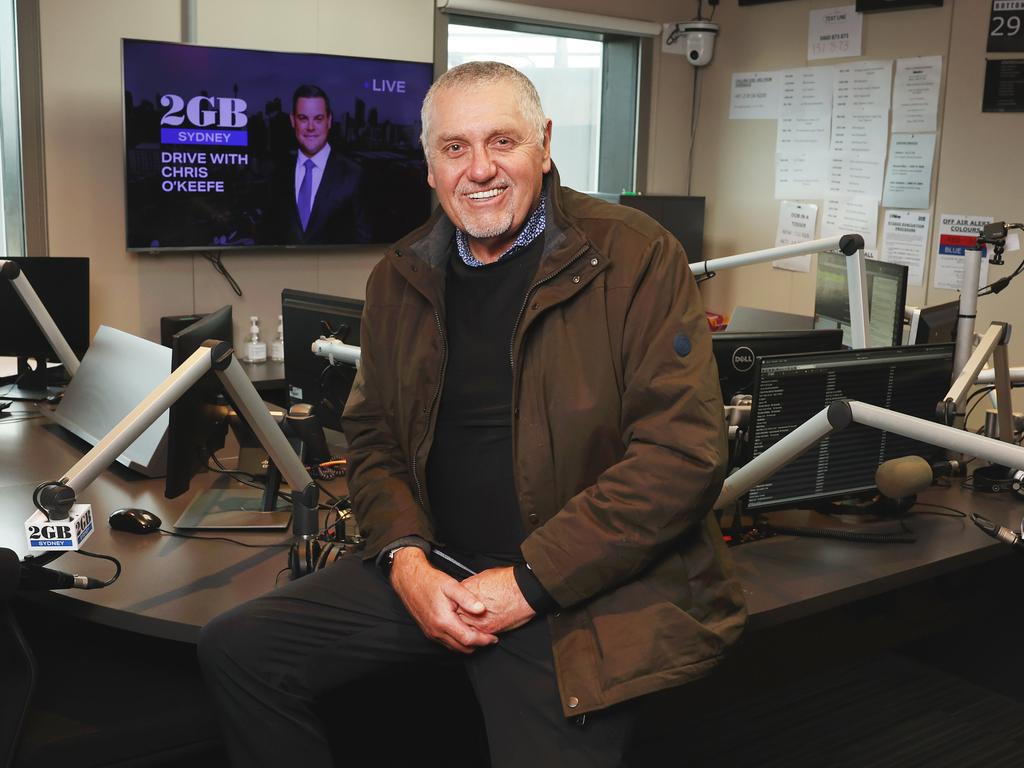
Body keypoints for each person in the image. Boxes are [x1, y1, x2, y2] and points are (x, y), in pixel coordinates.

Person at [199, 61, 746, 767]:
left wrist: (527, 582)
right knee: (239, 649)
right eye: (455, 147)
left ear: (544, 145)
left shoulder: (635, 256)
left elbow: (683, 456)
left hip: (572, 588)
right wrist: (404, 561)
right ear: (429, 165)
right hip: (436, 566)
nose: (479, 168)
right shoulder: (401, 276)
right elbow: (374, 437)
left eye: (503, 142)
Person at [264, 84, 370, 245]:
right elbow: (269, 233)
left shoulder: (354, 174)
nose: (311, 127)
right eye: (303, 118)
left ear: (329, 120)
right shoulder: (279, 174)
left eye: (318, 119)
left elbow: (364, 238)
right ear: (293, 121)